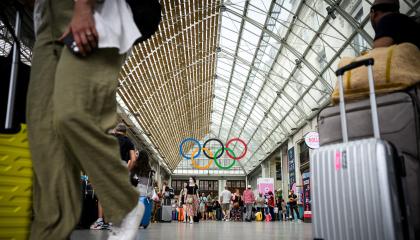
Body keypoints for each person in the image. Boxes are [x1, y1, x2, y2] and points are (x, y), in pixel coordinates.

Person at [26, 0, 143, 239]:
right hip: (44, 21)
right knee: (44, 138)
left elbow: (132, 158)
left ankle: (125, 202)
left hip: (89, 11)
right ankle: (50, 232)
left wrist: (82, 6)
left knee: (74, 113)